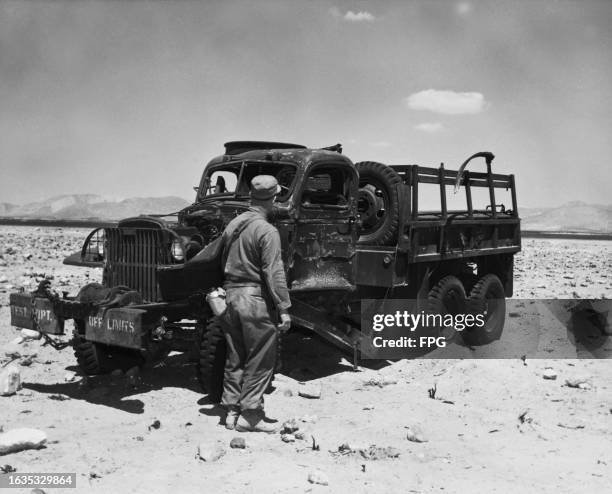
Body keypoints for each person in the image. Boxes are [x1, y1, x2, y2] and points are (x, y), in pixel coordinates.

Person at [220, 175, 291, 433]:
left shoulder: (234, 224)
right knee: (260, 358)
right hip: (254, 300)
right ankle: (251, 415)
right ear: (273, 199)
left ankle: (231, 411)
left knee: (235, 356)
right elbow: (274, 272)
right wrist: (283, 308)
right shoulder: (267, 231)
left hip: (230, 297)